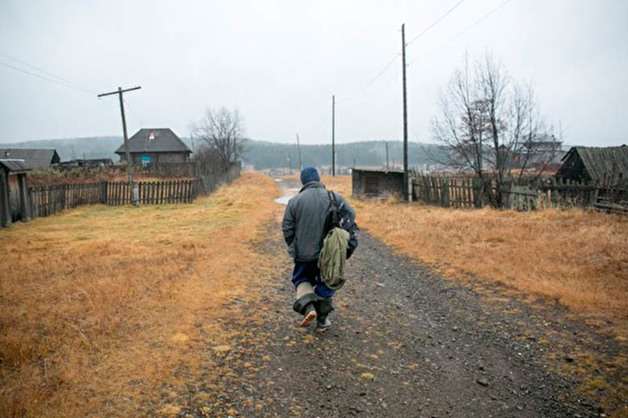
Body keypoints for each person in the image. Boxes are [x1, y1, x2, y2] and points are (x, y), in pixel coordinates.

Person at [281, 167, 358, 332]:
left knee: (301, 279)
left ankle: (309, 307)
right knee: (327, 282)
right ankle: (322, 320)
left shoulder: (294, 201)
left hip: (303, 254)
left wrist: (294, 246)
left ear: (303, 181)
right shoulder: (335, 198)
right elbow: (351, 217)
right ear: (318, 178)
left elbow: (287, 228)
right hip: (329, 254)